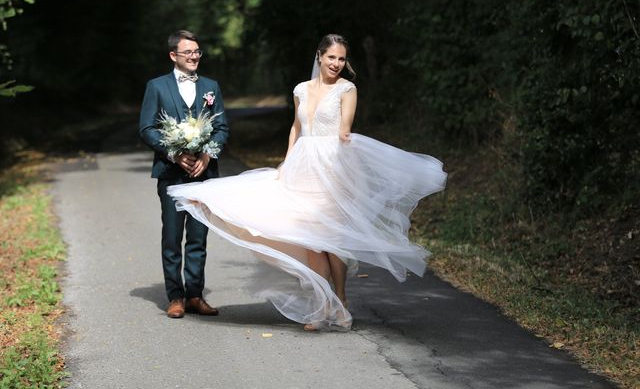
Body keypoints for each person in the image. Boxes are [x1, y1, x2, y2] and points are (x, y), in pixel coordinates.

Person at [168, 34, 446, 330]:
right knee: (311, 240)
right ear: (320, 57)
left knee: (331, 240)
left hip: (332, 166)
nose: (336, 64)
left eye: (341, 59)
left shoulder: (347, 89)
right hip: (303, 166)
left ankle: (340, 300)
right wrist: (287, 160)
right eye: (332, 58)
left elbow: (345, 128)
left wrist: (344, 141)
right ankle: (323, 305)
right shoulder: (300, 89)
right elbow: (296, 127)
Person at [139, 30, 229, 318]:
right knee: (172, 236)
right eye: (188, 52)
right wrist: (174, 153)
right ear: (173, 55)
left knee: (198, 237)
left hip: (203, 173)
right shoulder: (157, 87)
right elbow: (147, 128)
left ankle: (194, 295)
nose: (194, 57)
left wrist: (207, 154)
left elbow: (222, 127)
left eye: (197, 52)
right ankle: (175, 296)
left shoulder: (211, 86)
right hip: (171, 173)